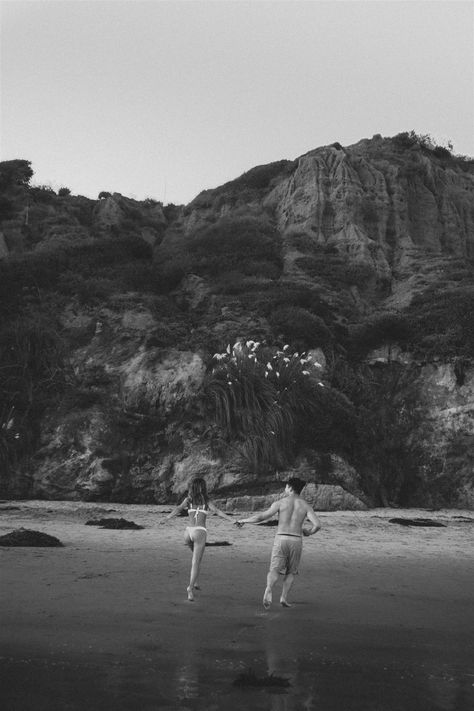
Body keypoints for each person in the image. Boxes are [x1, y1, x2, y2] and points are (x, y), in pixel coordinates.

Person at [236, 477, 321, 609]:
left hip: (281, 538)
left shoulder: (281, 502)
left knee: (274, 570)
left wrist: (244, 520)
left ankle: (269, 588)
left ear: (290, 488)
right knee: (291, 572)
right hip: (296, 540)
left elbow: (261, 517)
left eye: (286, 486)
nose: (285, 489)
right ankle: (283, 598)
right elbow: (317, 525)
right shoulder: (305, 506)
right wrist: (308, 532)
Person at [160, 477, 236, 601]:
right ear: (203, 487)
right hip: (199, 532)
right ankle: (190, 588)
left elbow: (178, 509)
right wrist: (232, 520)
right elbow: (217, 511)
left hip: (188, 532)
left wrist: (167, 518)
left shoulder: (188, 499)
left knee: (197, 559)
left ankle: (195, 582)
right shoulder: (206, 500)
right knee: (195, 561)